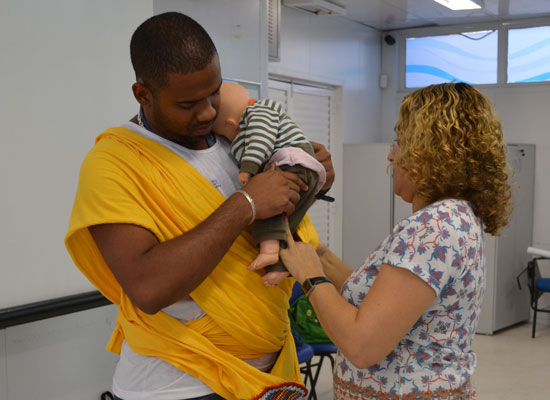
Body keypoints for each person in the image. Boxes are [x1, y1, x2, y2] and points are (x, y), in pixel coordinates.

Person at [64, 12, 334, 400]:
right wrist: (246, 203)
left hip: (270, 370)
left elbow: (282, 222)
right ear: (143, 94)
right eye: (188, 103)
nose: (207, 112)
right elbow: (148, 287)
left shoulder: (232, 134)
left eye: (214, 92)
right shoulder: (113, 162)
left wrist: (311, 176)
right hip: (176, 384)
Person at [280, 82, 512, 399]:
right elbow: (381, 303)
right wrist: (318, 253)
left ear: (430, 153)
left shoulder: (432, 228)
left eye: (400, 142)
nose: (391, 154)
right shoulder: (454, 218)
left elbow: (362, 345)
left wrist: (310, 276)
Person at [212, 81, 327, 287]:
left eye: (224, 135)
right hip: (303, 168)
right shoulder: (261, 114)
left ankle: (270, 252)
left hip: (290, 162)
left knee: (266, 209)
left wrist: (249, 166)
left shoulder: (257, 112)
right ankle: (281, 266)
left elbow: (261, 140)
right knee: (286, 223)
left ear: (231, 124)